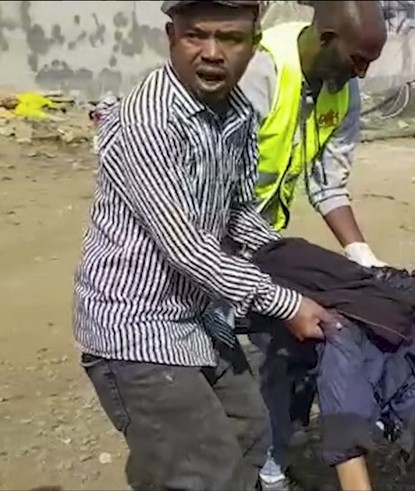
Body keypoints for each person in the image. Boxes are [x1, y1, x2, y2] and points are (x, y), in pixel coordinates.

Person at [72, 1, 338, 489]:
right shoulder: (149, 121)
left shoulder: (238, 111)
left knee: (249, 433)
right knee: (206, 470)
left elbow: (239, 214)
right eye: (197, 36)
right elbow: (190, 249)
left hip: (197, 318)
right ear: (171, 36)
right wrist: (285, 301)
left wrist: (305, 266)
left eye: (231, 39)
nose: (213, 53)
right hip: (135, 328)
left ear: (253, 45)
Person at [234, 2, 388, 489]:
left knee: (285, 353)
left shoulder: (343, 91)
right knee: (245, 360)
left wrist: (360, 253)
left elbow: (327, 185)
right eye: (357, 59)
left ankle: (271, 466)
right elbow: (215, 179)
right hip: (214, 233)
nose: (361, 72)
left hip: (265, 241)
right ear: (325, 39)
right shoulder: (260, 70)